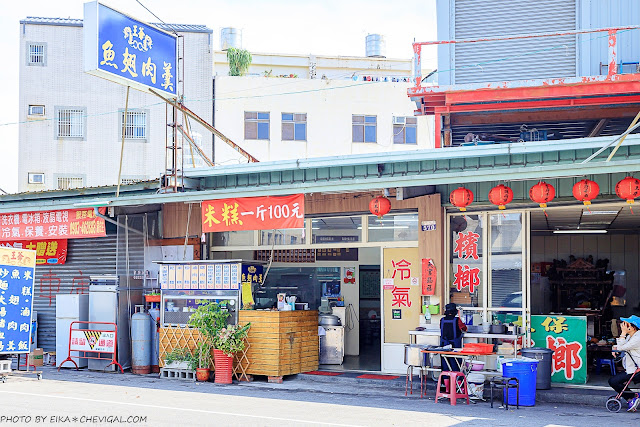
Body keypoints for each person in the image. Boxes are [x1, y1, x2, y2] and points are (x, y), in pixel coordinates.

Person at [609, 315, 640, 412]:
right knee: (615, 381)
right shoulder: (631, 336)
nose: (623, 325)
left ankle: (631, 397)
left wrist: (622, 333)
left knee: (613, 381)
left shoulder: (638, 338)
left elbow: (623, 347)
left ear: (632, 327)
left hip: (636, 370)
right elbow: (621, 346)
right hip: (633, 369)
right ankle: (633, 397)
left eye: (626, 324)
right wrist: (615, 347)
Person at [440, 303, 467, 371]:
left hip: (444, 346)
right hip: (455, 346)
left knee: (445, 364)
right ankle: (456, 380)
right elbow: (465, 329)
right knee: (455, 364)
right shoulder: (457, 320)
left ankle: (446, 381)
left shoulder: (442, 320)